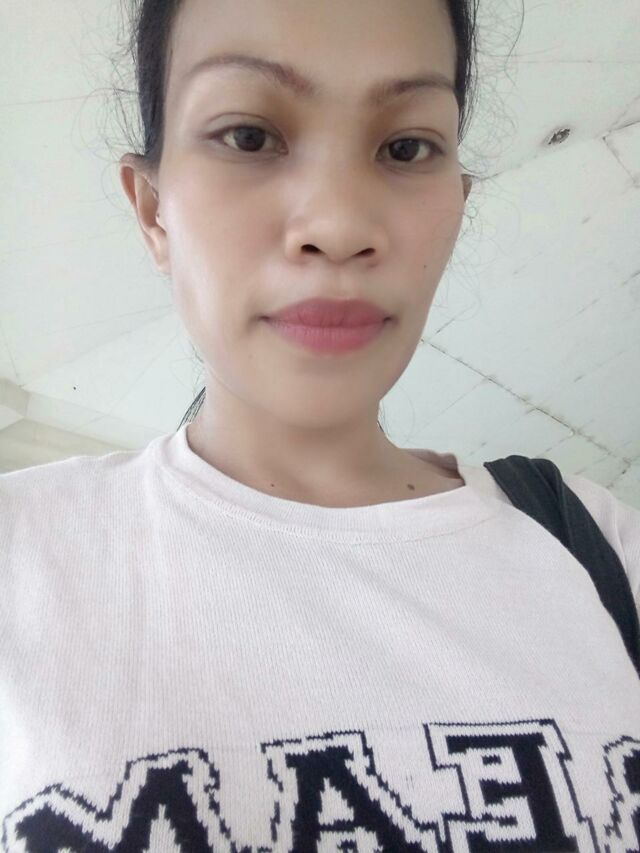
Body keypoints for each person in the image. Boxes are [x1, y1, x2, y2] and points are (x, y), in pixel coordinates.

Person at [1, 0, 638, 848]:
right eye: (249, 136)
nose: (338, 227)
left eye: (406, 147)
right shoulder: (21, 553)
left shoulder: (598, 547)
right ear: (153, 209)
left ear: (457, 202)